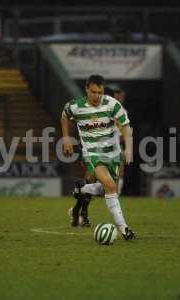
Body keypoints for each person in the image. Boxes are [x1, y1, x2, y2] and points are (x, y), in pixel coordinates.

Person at [61, 75, 136, 240]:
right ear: (87, 89)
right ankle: (125, 229)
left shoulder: (112, 104)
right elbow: (64, 115)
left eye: (100, 92)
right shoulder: (76, 106)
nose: (96, 96)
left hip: (113, 153)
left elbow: (125, 125)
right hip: (92, 153)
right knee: (109, 185)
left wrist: (129, 148)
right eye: (93, 92)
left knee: (106, 190)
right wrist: (66, 138)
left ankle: (82, 189)